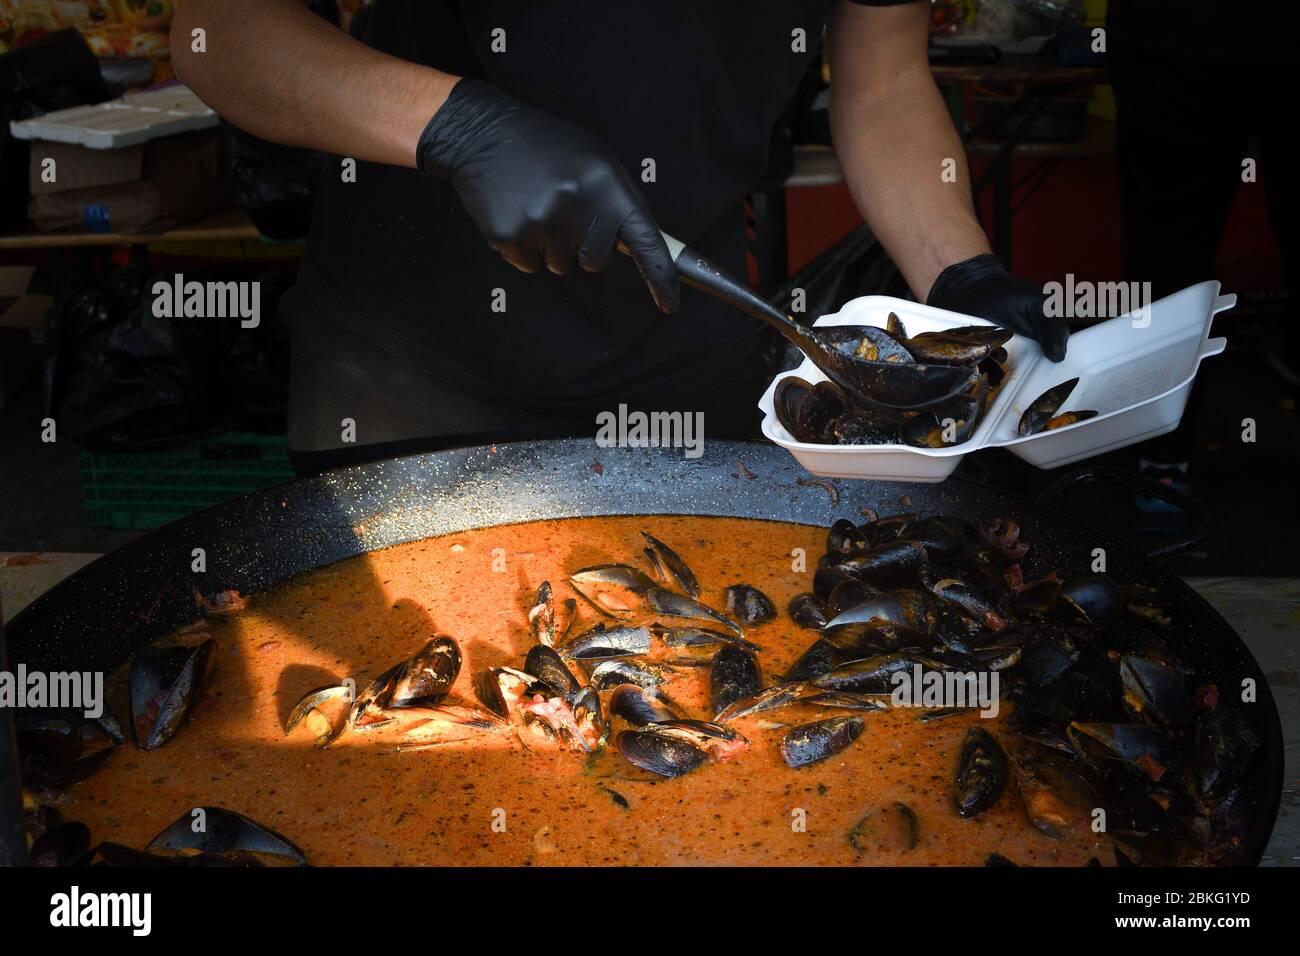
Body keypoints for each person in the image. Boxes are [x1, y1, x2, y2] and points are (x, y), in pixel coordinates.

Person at [172, 0, 1069, 471]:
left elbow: (882, 80)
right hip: (411, 364)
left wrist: (960, 274)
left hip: (689, 352)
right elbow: (220, 31)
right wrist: (453, 126)